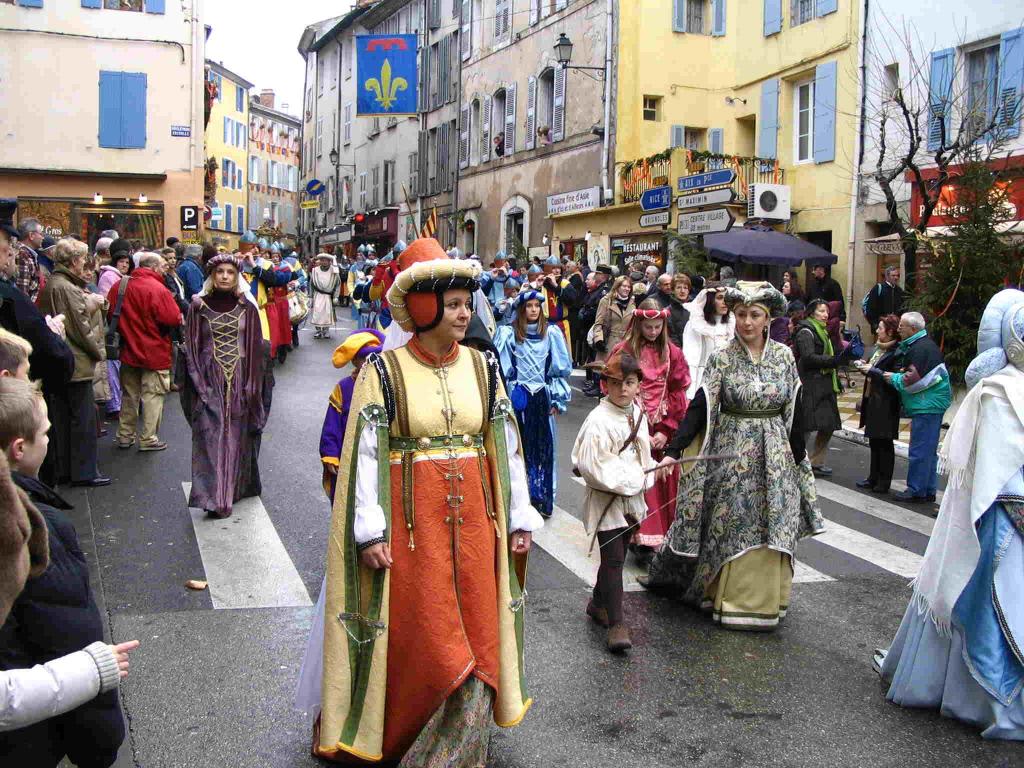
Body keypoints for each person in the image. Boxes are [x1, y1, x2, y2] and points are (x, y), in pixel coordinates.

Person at [298, 238, 542, 764]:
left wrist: (519, 515)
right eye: (452, 305)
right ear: (425, 308)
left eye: (466, 304)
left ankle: (457, 750)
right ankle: (405, 735)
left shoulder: (483, 367)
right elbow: (366, 453)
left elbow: (506, 447)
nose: (464, 314)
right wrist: (369, 530)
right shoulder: (382, 372)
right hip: (414, 530)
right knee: (427, 634)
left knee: (478, 626)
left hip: (477, 524)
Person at [876, 289, 1024, 739]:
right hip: (1000, 522)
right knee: (989, 601)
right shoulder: (996, 393)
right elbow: (995, 472)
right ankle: (985, 699)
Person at [644, 282, 824, 631]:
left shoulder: (784, 357)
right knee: (733, 520)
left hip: (775, 455)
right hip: (731, 454)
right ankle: (726, 596)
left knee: (774, 518)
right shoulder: (722, 358)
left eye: (755, 315)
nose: (747, 322)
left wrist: (798, 457)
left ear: (768, 319)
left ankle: (767, 600)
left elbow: (795, 408)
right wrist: (674, 450)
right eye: (741, 314)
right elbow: (701, 405)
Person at [0, 377, 131, 766]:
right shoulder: (31, 526)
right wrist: (99, 740)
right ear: (20, 448)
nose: (49, 438)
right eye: (45, 433)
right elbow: (66, 630)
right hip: (26, 739)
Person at [571, 347, 656, 653]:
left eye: (629, 383)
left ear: (638, 385)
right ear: (605, 384)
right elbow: (593, 467)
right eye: (617, 383)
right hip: (606, 499)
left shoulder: (639, 415)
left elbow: (643, 455)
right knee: (614, 559)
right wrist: (631, 481)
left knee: (617, 554)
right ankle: (617, 625)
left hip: (631, 499)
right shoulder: (598, 420)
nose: (623, 390)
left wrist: (649, 474)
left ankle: (597, 603)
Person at [180, 253, 274, 519]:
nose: (224, 276)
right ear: (212, 276)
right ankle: (214, 498)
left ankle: (233, 488)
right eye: (219, 271)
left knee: (236, 436)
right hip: (209, 379)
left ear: (237, 276)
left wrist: (252, 386)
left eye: (230, 272)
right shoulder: (198, 306)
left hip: (241, 379)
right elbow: (192, 348)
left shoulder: (247, 308)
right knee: (210, 436)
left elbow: (255, 349)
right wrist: (200, 385)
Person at [612, 300, 689, 556]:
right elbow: (612, 386)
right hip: (631, 426)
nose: (653, 332)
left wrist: (666, 430)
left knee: (661, 480)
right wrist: (633, 426)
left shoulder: (673, 353)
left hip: (660, 427)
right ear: (638, 325)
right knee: (636, 480)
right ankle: (637, 536)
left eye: (658, 327)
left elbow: (678, 392)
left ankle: (659, 537)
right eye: (648, 327)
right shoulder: (624, 351)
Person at [494, 289, 572, 518]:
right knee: (518, 448)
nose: (534, 310)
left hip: (542, 397)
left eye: (537, 306)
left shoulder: (551, 333)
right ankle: (520, 499)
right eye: (529, 306)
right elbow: (502, 370)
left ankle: (542, 498)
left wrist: (557, 399)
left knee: (544, 450)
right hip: (519, 397)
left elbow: (558, 370)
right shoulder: (509, 333)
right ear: (521, 309)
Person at [37, 239, 108, 488]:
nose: (85, 263)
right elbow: (81, 329)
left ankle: (67, 469)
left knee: (65, 418)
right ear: (75, 260)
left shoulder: (56, 283)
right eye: (83, 258)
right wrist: (98, 353)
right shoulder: (67, 287)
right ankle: (84, 471)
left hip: (63, 359)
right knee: (82, 419)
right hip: (75, 361)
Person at [107, 253, 182, 453]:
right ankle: (148, 438)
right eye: (163, 266)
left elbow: (110, 312)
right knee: (153, 395)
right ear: (154, 267)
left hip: (127, 350)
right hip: (154, 351)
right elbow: (173, 318)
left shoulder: (120, 286)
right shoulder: (158, 289)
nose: (165, 270)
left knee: (129, 395)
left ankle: (125, 435)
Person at [883, 311, 952, 503]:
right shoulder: (924, 345)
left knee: (920, 449)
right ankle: (928, 489)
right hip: (932, 403)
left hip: (926, 404)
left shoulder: (919, 349)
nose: (899, 329)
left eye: (902, 326)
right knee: (928, 449)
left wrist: (893, 378)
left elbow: (911, 379)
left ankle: (916, 490)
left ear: (913, 329)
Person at [318, 329, 385, 500]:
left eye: (375, 357)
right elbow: (332, 425)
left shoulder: (386, 386)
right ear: (354, 360)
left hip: (380, 460)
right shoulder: (344, 387)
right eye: (365, 358)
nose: (370, 363)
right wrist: (331, 454)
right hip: (349, 459)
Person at [793, 298, 845, 477]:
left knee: (828, 424)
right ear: (811, 312)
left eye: (827, 312)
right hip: (811, 384)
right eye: (822, 311)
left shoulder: (824, 331)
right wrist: (832, 361)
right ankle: (796, 460)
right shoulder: (806, 331)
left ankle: (817, 461)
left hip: (826, 384)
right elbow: (808, 357)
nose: (826, 315)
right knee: (807, 425)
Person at [853, 315, 902, 494]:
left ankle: (883, 481)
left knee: (884, 441)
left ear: (890, 331)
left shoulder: (897, 352)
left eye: (880, 328)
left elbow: (893, 377)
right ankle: (872, 477)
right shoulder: (879, 349)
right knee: (874, 440)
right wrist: (865, 366)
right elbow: (874, 369)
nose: (877, 331)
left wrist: (872, 370)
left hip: (886, 402)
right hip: (872, 399)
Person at [681, 286, 734, 399]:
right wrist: (691, 392)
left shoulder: (732, 323)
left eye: (727, 298)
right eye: (719, 298)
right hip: (704, 381)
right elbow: (691, 359)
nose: (724, 302)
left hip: (728, 381)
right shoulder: (697, 325)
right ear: (709, 300)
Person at [578, 265, 614, 397]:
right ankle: (594, 382)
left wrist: (587, 313)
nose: (595, 275)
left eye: (598, 273)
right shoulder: (598, 288)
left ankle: (598, 385)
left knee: (597, 357)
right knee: (592, 355)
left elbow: (598, 309)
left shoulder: (605, 290)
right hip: (590, 325)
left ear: (604, 275)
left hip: (597, 325)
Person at [592, 275, 636, 368]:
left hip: (626, 344)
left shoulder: (633, 303)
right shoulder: (606, 301)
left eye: (629, 287)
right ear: (617, 286)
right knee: (607, 371)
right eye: (624, 286)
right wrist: (599, 340)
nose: (627, 289)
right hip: (609, 342)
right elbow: (598, 323)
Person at [539, 255, 578, 353]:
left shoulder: (565, 283)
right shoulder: (541, 284)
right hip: (546, 325)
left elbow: (572, 300)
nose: (557, 271)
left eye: (558, 268)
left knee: (563, 353)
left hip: (562, 325)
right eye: (553, 268)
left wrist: (556, 286)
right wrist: (536, 286)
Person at [863, 266, 906, 331]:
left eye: (897, 275)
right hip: (881, 326)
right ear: (887, 276)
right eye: (893, 275)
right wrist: (876, 323)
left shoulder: (899, 290)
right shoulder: (878, 288)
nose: (896, 278)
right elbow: (870, 309)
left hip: (895, 327)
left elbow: (902, 308)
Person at [309, 253, 340, 339]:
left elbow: (337, 284)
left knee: (327, 314)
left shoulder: (334, 270)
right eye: (322, 260)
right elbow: (311, 284)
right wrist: (310, 296)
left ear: (329, 261)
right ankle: (318, 331)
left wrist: (336, 296)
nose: (324, 262)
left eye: (326, 260)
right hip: (318, 295)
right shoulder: (315, 270)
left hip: (328, 296)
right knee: (317, 313)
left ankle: (326, 330)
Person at [15, 218, 43, 302]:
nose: (43, 237)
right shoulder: (22, 256)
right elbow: (22, 296)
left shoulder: (28, 255)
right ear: (31, 235)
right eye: (41, 234)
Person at [667, 273, 691, 348]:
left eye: (685, 288)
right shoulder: (668, 312)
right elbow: (671, 337)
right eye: (678, 287)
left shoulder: (695, 309)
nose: (682, 291)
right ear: (673, 290)